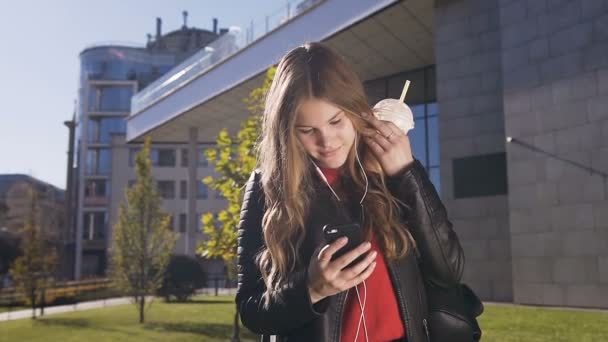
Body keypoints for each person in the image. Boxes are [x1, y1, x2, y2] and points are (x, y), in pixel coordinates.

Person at [236, 42, 464, 342]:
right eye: (307, 130)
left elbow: (450, 269)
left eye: (336, 121)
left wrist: (406, 173)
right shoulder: (268, 189)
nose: (326, 141)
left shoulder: (389, 170)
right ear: (287, 131)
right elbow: (252, 311)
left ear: (356, 111)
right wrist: (312, 288)